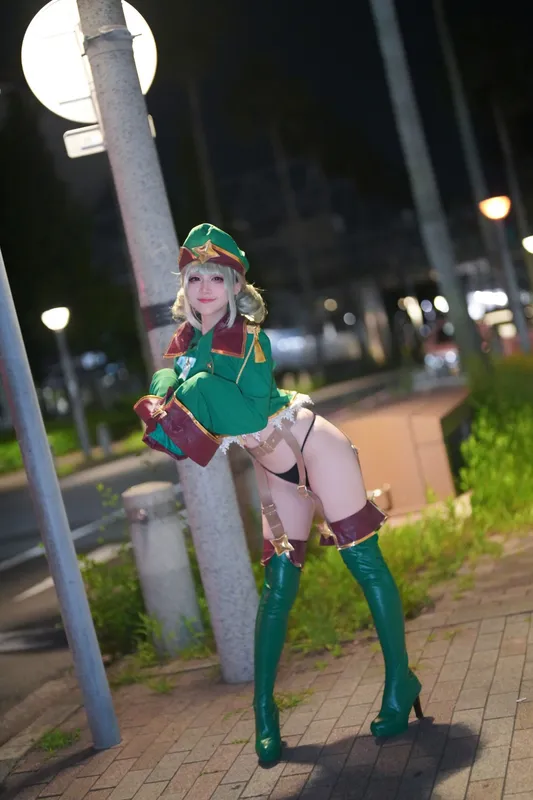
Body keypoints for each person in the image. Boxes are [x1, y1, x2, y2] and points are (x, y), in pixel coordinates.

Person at [134, 223, 423, 765]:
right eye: (194, 278)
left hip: (313, 449)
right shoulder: (187, 348)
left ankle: (400, 683)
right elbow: (177, 402)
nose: (204, 289)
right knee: (278, 588)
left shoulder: (249, 340)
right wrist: (164, 384)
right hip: (276, 471)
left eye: (215, 279)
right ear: (184, 287)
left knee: (363, 564)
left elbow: (241, 415)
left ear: (234, 286)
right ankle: (264, 714)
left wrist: (181, 390)